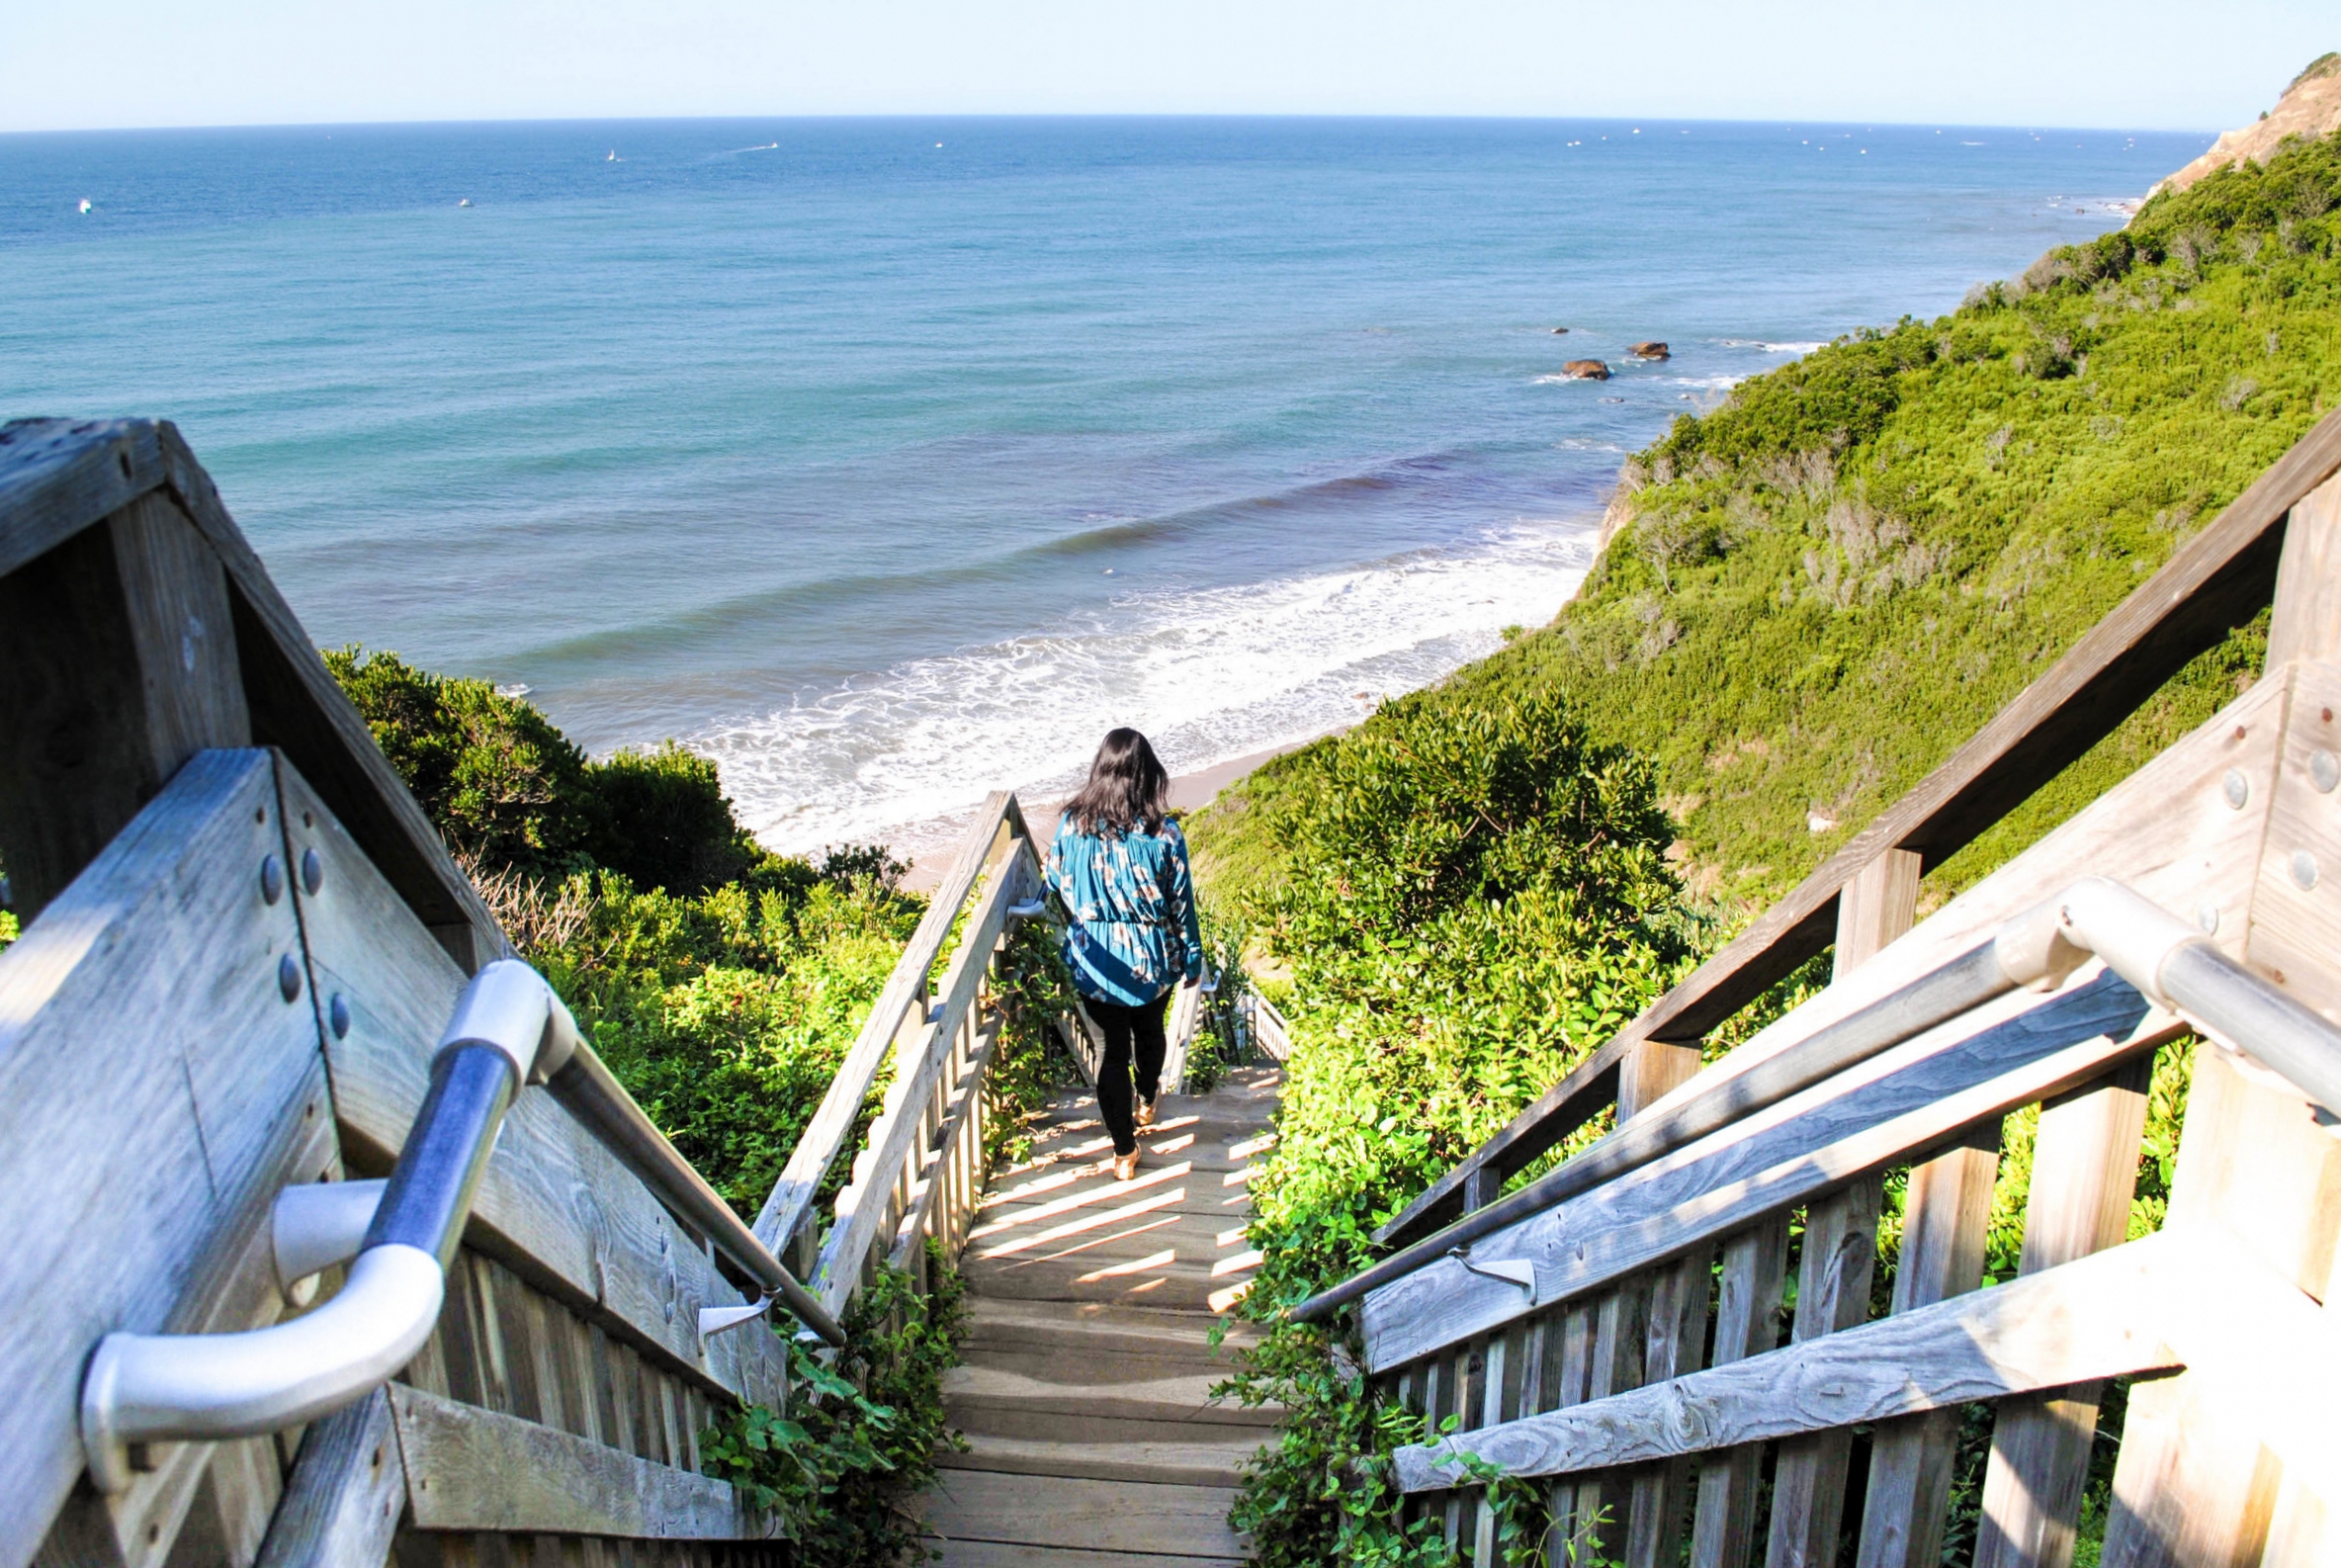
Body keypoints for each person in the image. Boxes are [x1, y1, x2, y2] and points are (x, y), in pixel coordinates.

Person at [1044, 728, 1204, 1181]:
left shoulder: (1072, 824)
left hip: (1094, 961)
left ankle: (1122, 1153)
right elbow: (1181, 907)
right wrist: (1191, 959)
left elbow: (1054, 882)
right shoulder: (1164, 833)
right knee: (1150, 1033)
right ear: (1147, 773)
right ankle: (1148, 1099)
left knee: (1108, 1053)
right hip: (1152, 961)